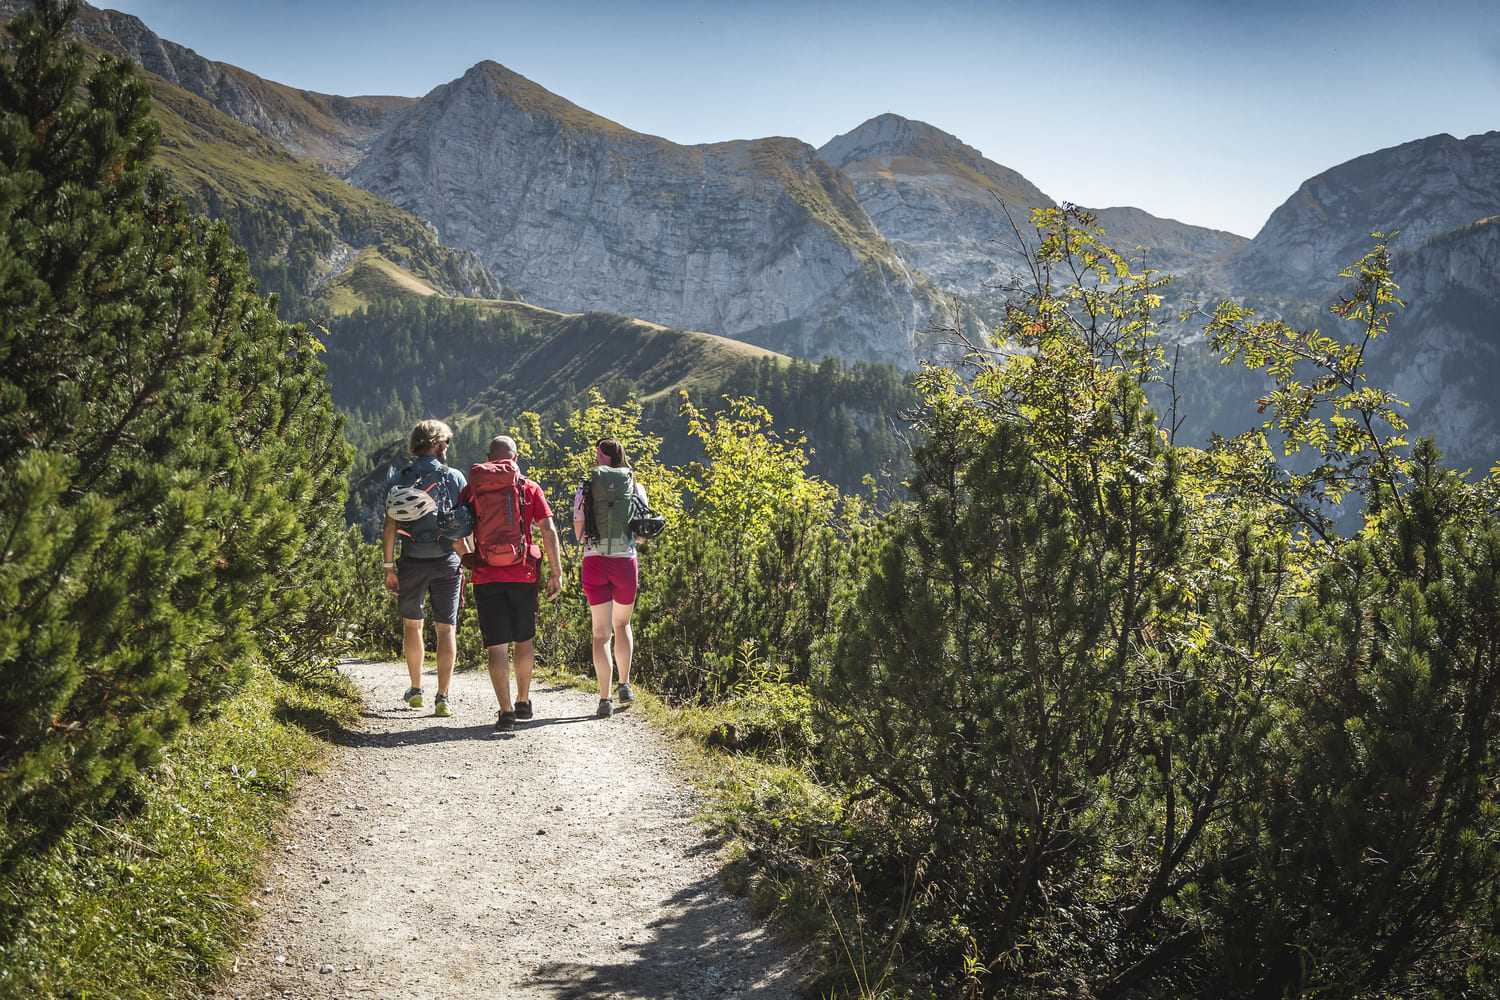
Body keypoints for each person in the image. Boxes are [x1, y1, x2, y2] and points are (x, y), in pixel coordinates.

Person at [458, 435, 563, 732]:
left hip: (486, 575)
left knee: (496, 647)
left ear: (489, 457)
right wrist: (556, 572)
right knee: (524, 639)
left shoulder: (471, 490)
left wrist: (469, 557)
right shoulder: (528, 487)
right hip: (524, 573)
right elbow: (548, 530)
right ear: (514, 459)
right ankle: (523, 700)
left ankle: (505, 712)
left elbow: (454, 530)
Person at [382, 419, 467, 718]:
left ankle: (416, 689)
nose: (446, 446)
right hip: (447, 561)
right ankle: (443, 697)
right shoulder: (455, 477)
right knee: (446, 629)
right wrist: (466, 560)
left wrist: (389, 567)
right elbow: (465, 524)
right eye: (444, 441)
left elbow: (390, 527)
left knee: (413, 625)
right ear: (433, 442)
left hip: (411, 561)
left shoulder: (400, 479)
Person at [573, 438, 647, 719]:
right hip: (625, 563)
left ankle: (604, 700)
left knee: (600, 633)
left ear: (599, 456)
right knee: (622, 623)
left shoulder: (585, 487)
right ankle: (624, 685)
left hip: (594, 563)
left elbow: (579, 533)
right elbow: (640, 533)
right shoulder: (635, 486)